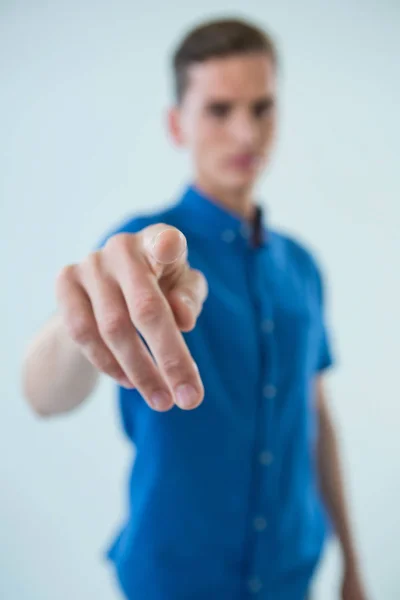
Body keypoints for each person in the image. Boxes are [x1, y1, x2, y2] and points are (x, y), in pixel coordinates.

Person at [22, 17, 368, 600]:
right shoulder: (140, 251)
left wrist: (352, 564)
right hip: (173, 578)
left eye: (261, 108)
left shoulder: (303, 268)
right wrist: (76, 318)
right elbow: (43, 395)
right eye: (219, 109)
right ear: (177, 124)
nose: (244, 134)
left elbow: (316, 420)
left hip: (292, 573)